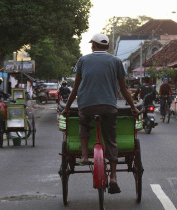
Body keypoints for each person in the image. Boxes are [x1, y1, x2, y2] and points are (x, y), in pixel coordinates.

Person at [61, 33, 139, 194]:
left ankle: (83, 155)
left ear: (93, 46)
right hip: (108, 106)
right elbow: (124, 89)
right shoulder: (116, 61)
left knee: (84, 124)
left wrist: (67, 108)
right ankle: (113, 178)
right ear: (108, 47)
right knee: (111, 139)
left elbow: (75, 88)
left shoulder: (83, 60)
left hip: (87, 106)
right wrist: (133, 107)